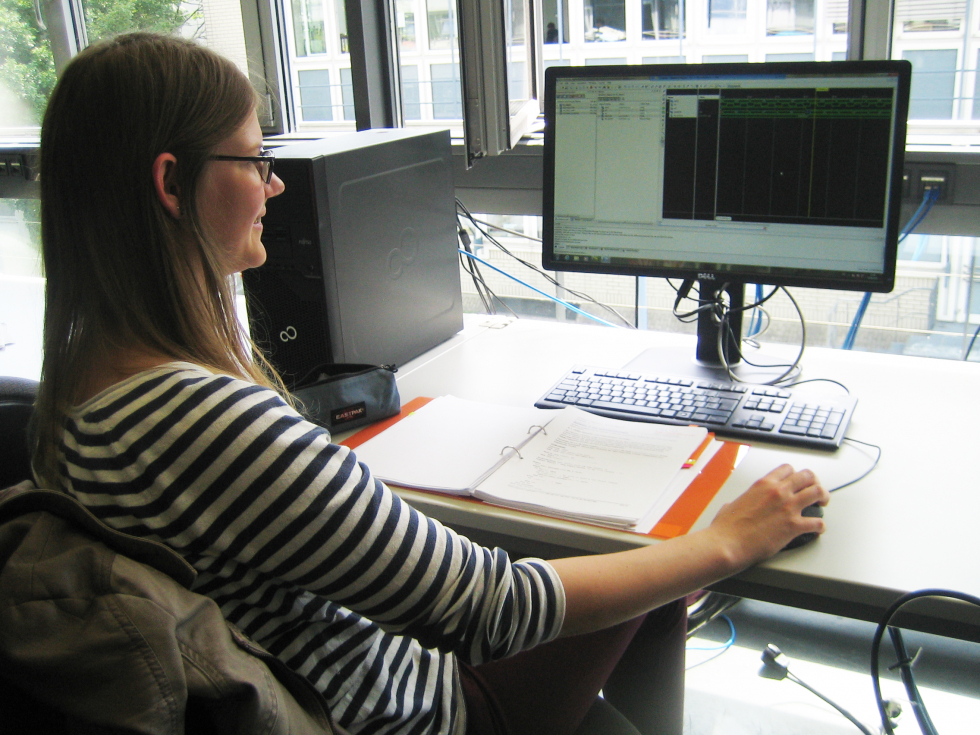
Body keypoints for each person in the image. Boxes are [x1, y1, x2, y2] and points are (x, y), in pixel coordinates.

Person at [31, 32, 828, 735]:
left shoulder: (75, 396)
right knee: (647, 556)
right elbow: (490, 610)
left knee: (622, 565)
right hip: (417, 710)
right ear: (172, 184)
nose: (274, 185)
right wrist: (723, 542)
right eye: (253, 160)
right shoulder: (206, 418)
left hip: (338, 670)